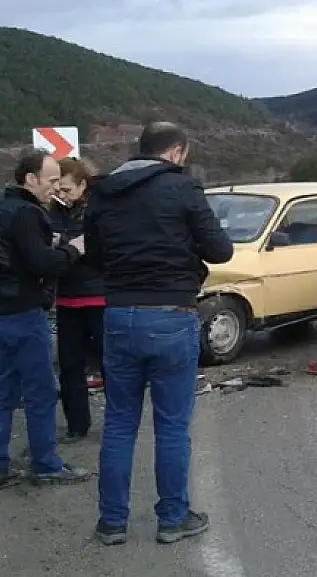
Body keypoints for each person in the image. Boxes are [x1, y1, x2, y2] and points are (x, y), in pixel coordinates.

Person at [84, 122, 233, 545]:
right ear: (177, 152)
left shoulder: (104, 192)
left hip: (117, 316)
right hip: (171, 314)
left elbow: (94, 257)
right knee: (170, 426)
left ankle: (111, 523)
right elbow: (220, 250)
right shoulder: (182, 188)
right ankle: (172, 519)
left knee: (118, 423)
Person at [0, 149, 92, 487]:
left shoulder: (4, 207)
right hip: (24, 312)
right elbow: (42, 264)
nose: (55, 188)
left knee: (3, 391)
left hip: (3, 312)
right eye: (51, 181)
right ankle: (46, 464)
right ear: (30, 180)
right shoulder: (27, 213)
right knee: (40, 391)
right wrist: (73, 249)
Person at [49, 158, 105, 443]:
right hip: (67, 299)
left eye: (67, 189)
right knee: (70, 365)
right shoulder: (53, 210)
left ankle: (119, 423)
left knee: (111, 363)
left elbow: (99, 247)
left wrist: (69, 247)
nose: (62, 194)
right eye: (58, 189)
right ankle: (76, 425)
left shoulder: (99, 208)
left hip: (98, 298)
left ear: (83, 185)